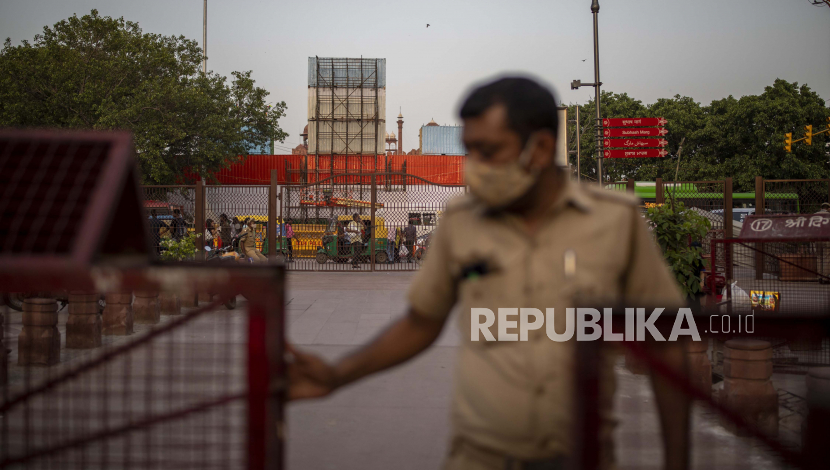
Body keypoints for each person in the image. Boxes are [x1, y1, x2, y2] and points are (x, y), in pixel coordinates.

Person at [287, 77, 690, 470]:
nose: (474, 166)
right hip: (478, 456)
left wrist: (677, 460)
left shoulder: (615, 222)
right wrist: (337, 375)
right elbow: (421, 322)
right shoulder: (462, 222)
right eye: (470, 151)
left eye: (489, 151)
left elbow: (667, 340)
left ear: (542, 147)